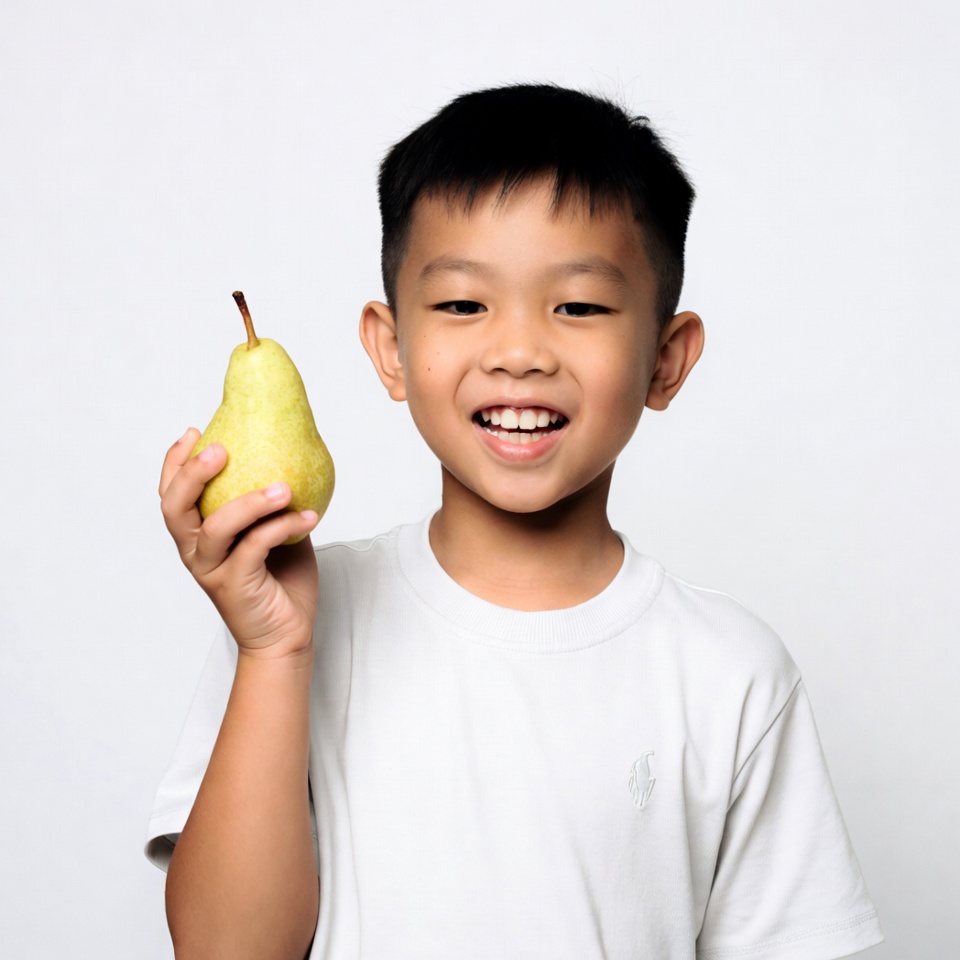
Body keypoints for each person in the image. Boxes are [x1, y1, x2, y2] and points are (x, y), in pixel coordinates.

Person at [147, 84, 884, 960]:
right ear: (392, 349)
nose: (520, 351)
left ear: (666, 358)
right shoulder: (292, 618)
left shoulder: (732, 673)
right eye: (463, 304)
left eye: (577, 306)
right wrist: (273, 652)